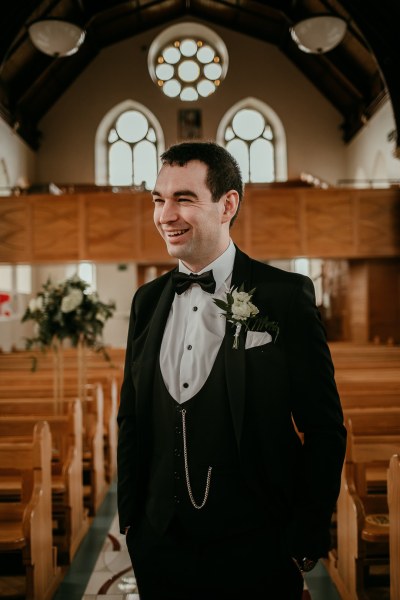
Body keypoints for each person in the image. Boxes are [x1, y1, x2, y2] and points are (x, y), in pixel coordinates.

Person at [117, 141, 346, 599]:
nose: (165, 215)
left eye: (184, 198)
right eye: (159, 200)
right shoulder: (146, 302)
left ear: (228, 204)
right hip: (160, 544)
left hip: (257, 543)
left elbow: (323, 427)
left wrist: (305, 536)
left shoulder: (284, 296)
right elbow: (133, 418)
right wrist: (133, 523)